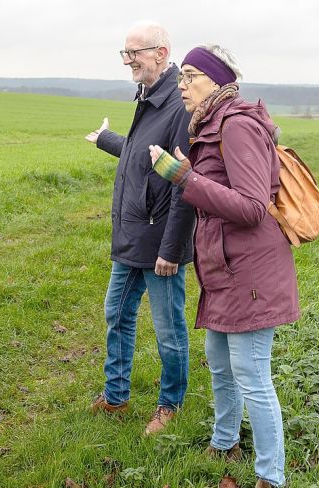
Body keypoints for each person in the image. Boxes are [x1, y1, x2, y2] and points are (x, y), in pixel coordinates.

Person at [148, 44, 299, 488]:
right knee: (218, 357)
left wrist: (184, 179)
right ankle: (224, 441)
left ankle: (270, 482)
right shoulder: (212, 126)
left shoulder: (235, 126)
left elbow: (253, 208)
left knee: (251, 372)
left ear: (216, 80)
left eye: (191, 76)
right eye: (182, 77)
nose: (183, 85)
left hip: (250, 271)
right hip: (225, 270)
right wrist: (191, 175)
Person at [84, 21, 195, 435]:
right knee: (117, 313)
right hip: (133, 234)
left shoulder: (179, 105)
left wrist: (172, 248)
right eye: (125, 53)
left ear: (161, 53)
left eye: (135, 53)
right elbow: (142, 156)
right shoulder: (148, 95)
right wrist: (106, 139)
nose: (128, 60)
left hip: (161, 241)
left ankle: (171, 405)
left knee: (168, 329)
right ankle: (115, 397)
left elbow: (184, 183)